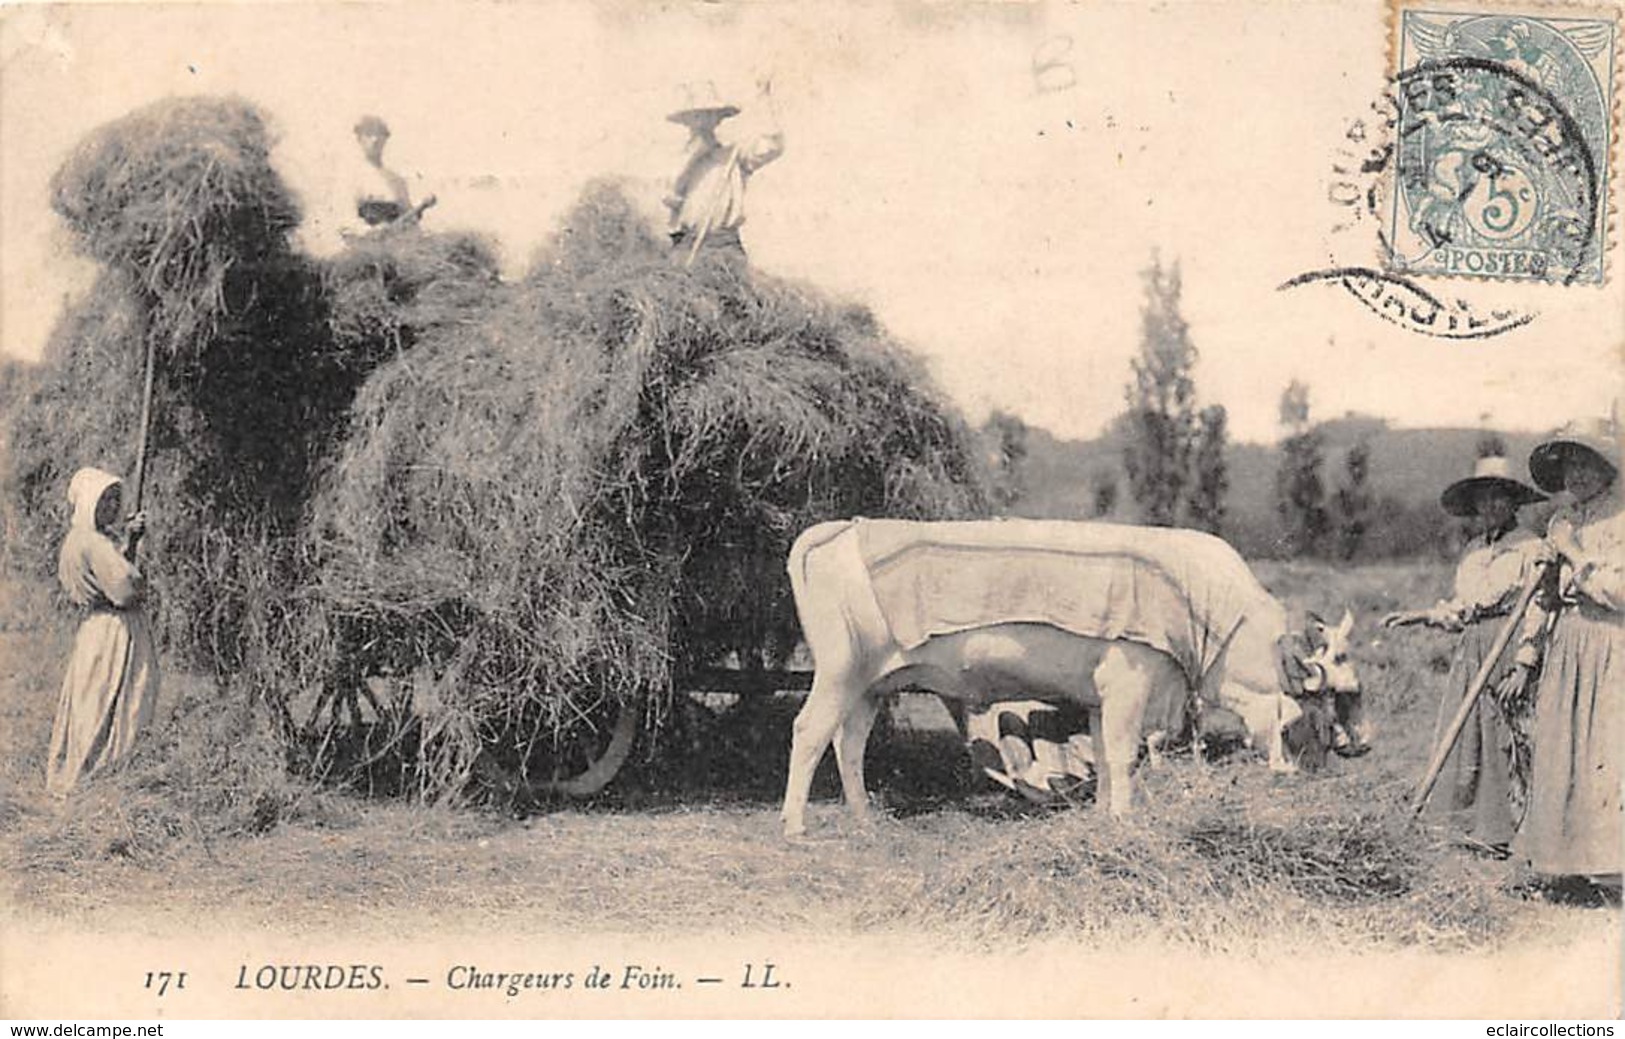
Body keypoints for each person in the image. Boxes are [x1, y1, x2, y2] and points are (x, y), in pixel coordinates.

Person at [1383, 454, 1548, 854]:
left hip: (1507, 642)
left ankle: (1514, 830)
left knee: (1507, 734)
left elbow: (1539, 605)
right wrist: (1424, 615)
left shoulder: (1531, 547)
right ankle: (1471, 828)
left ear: (1514, 502)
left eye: (1499, 498)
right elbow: (1463, 606)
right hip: (1472, 645)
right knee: (1467, 731)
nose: (1491, 507)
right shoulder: (1474, 549)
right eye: (1484, 499)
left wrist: (1524, 664)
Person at [1515, 418, 1622, 895]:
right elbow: (1544, 598)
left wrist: (1575, 556)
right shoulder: (1562, 521)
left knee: (1606, 748)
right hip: (1568, 642)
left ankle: (1613, 868)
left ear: (1607, 467)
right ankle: (1568, 864)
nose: (1577, 475)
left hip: (1610, 641)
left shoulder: (1620, 519)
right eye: (1569, 465)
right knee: (1564, 748)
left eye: (1586, 463)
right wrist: (1528, 651)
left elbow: (1619, 593)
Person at [45, 468, 160, 795]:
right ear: (87, 503)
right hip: (115, 630)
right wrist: (136, 574)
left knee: (90, 700)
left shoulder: (77, 540)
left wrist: (128, 544)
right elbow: (123, 588)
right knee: (116, 698)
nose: (111, 506)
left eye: (114, 499)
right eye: (103, 499)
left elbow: (106, 574)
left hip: (93, 629)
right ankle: (103, 777)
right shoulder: (95, 543)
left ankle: (81, 774)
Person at [665, 80, 784, 260]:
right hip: (686, 246)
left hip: (721, 247)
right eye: (697, 116)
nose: (703, 121)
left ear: (717, 119)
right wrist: (696, 153)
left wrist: (764, 103)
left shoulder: (733, 157)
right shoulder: (679, 160)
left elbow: (771, 147)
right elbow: (669, 197)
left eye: (708, 115)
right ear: (687, 121)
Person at [350, 115, 433, 231]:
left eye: (379, 134)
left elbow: (410, 221)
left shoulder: (396, 181)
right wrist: (369, 231)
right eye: (368, 134)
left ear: (385, 139)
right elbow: (345, 222)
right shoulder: (351, 177)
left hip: (394, 245)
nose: (375, 139)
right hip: (363, 245)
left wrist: (420, 209)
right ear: (359, 139)